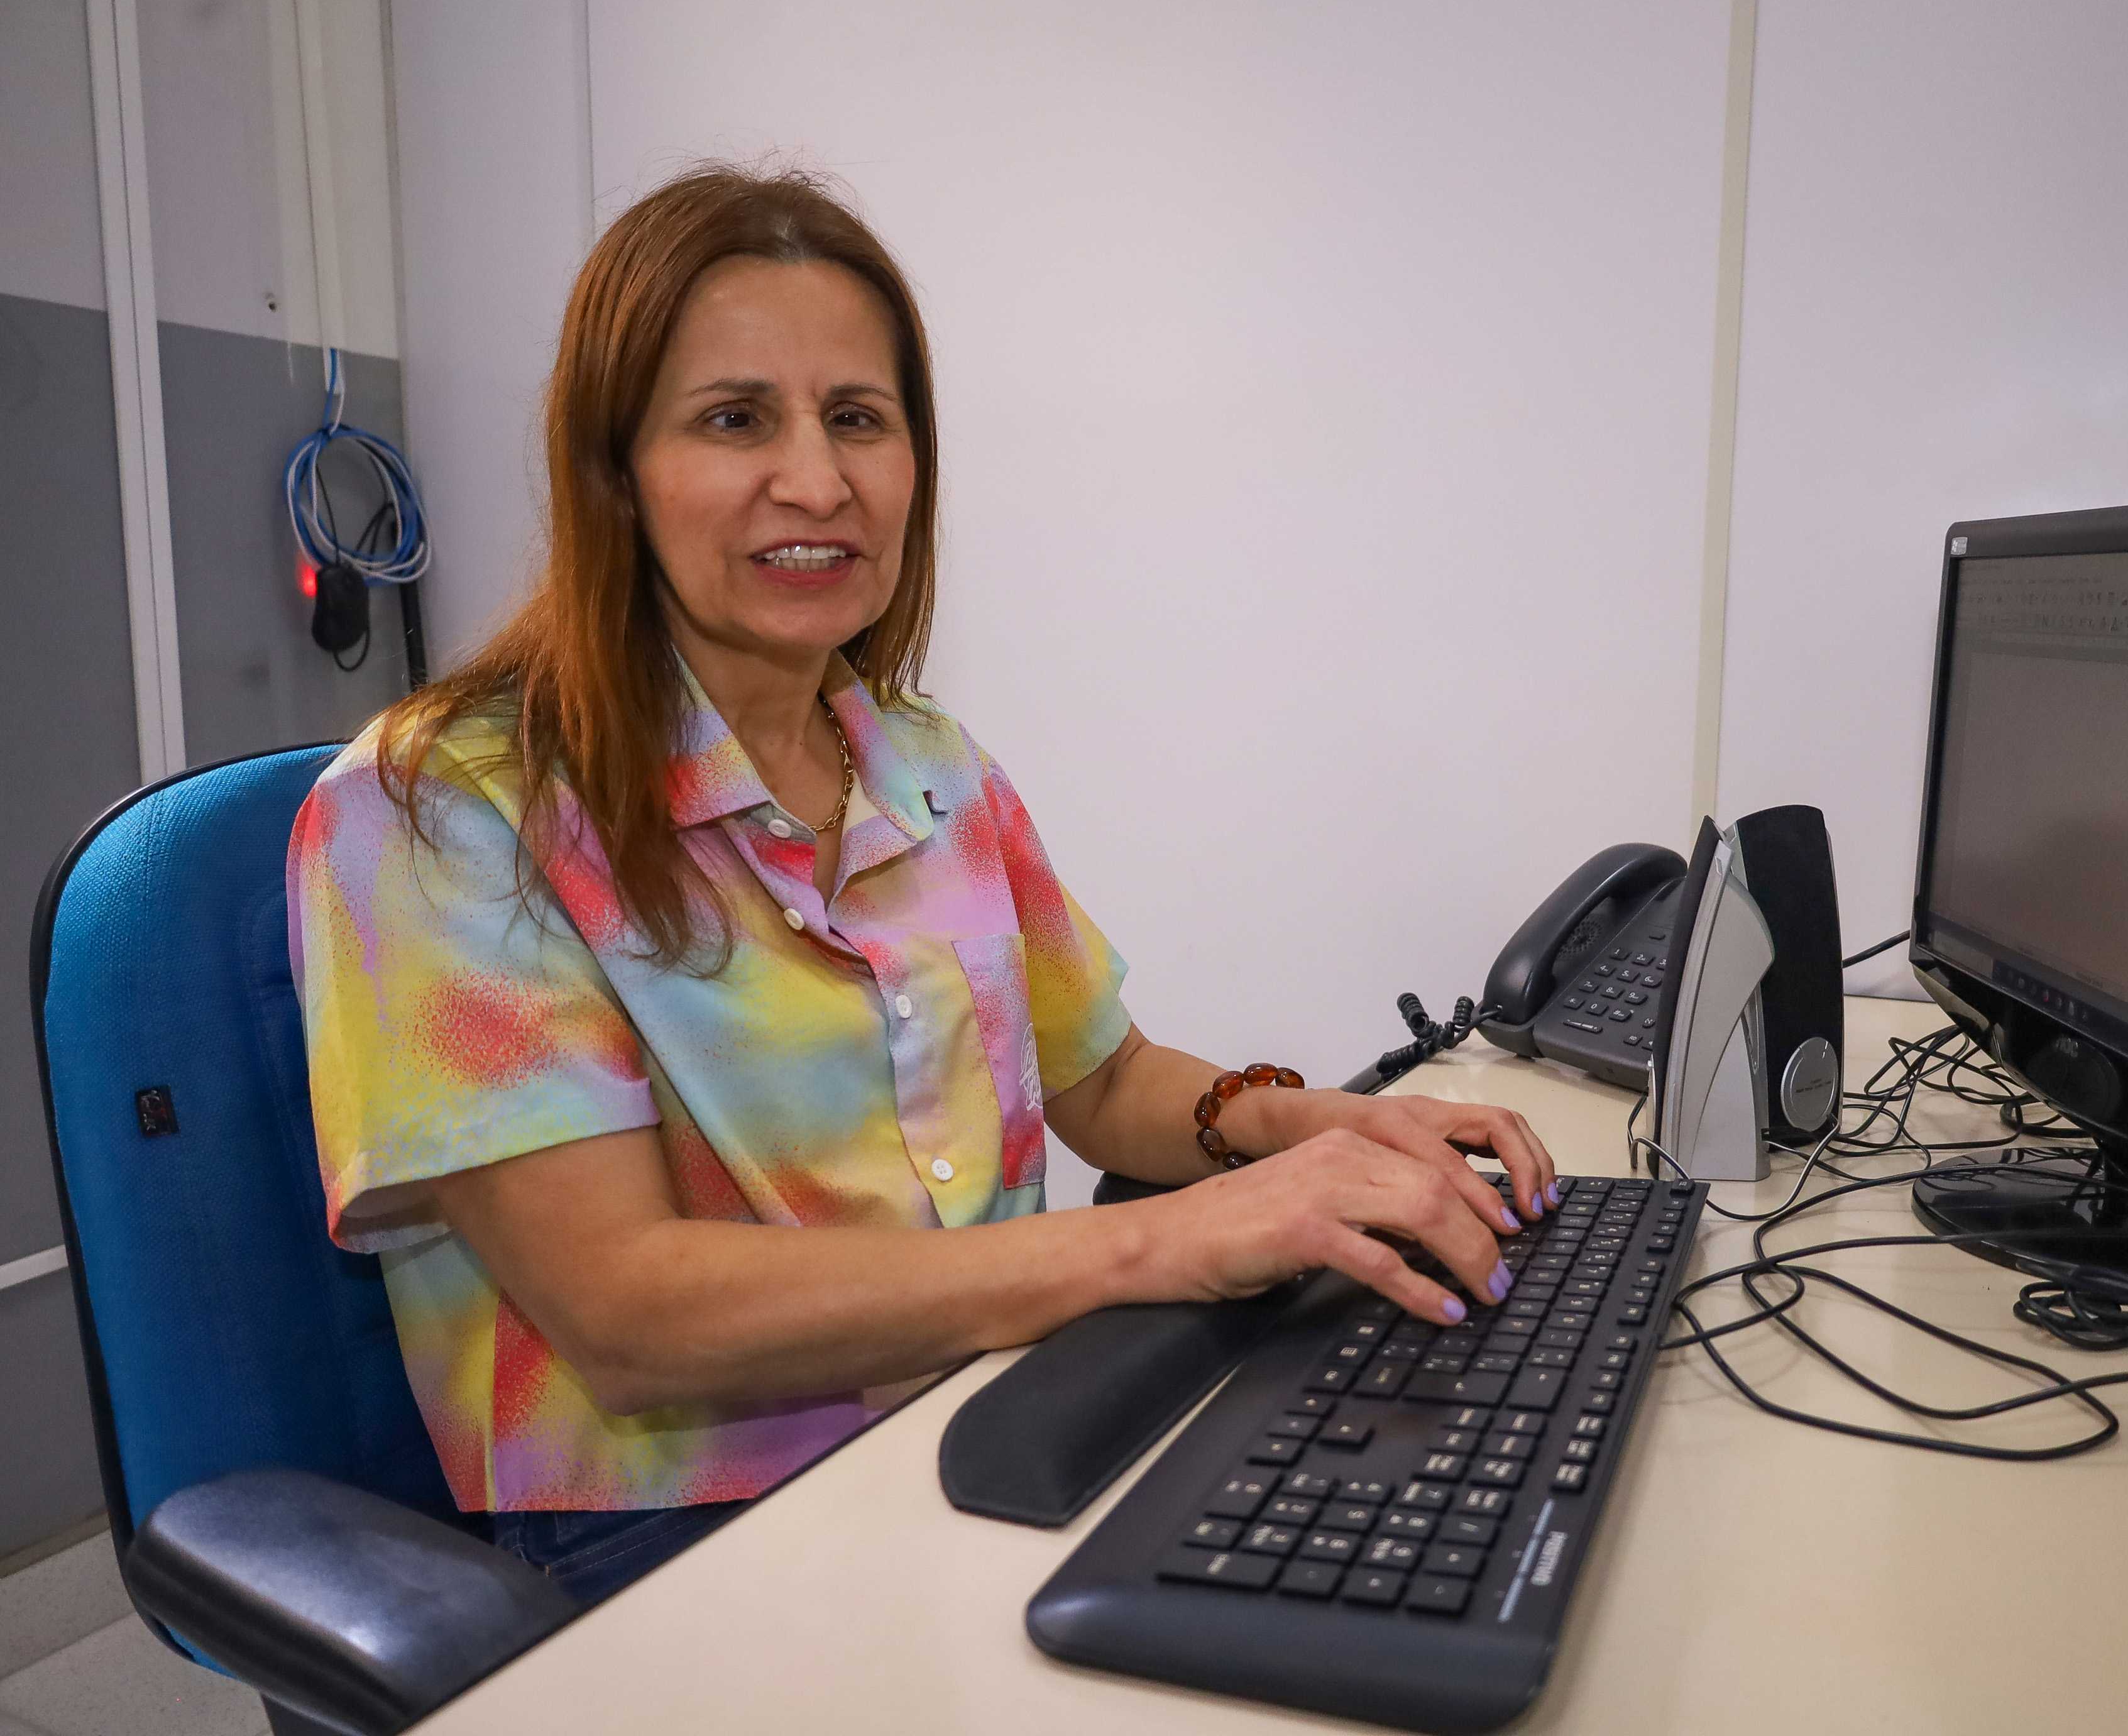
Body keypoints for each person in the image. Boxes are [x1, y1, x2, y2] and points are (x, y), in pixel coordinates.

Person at [288, 163, 1557, 1604]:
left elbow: (1105, 1076)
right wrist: (1166, 1239)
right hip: (678, 1535)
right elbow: (628, 1312)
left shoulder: (928, 763)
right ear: (616, 473)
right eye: (734, 418)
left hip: (997, 1406)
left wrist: (1305, 1122)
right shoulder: (439, 806)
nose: (817, 481)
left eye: (857, 418)